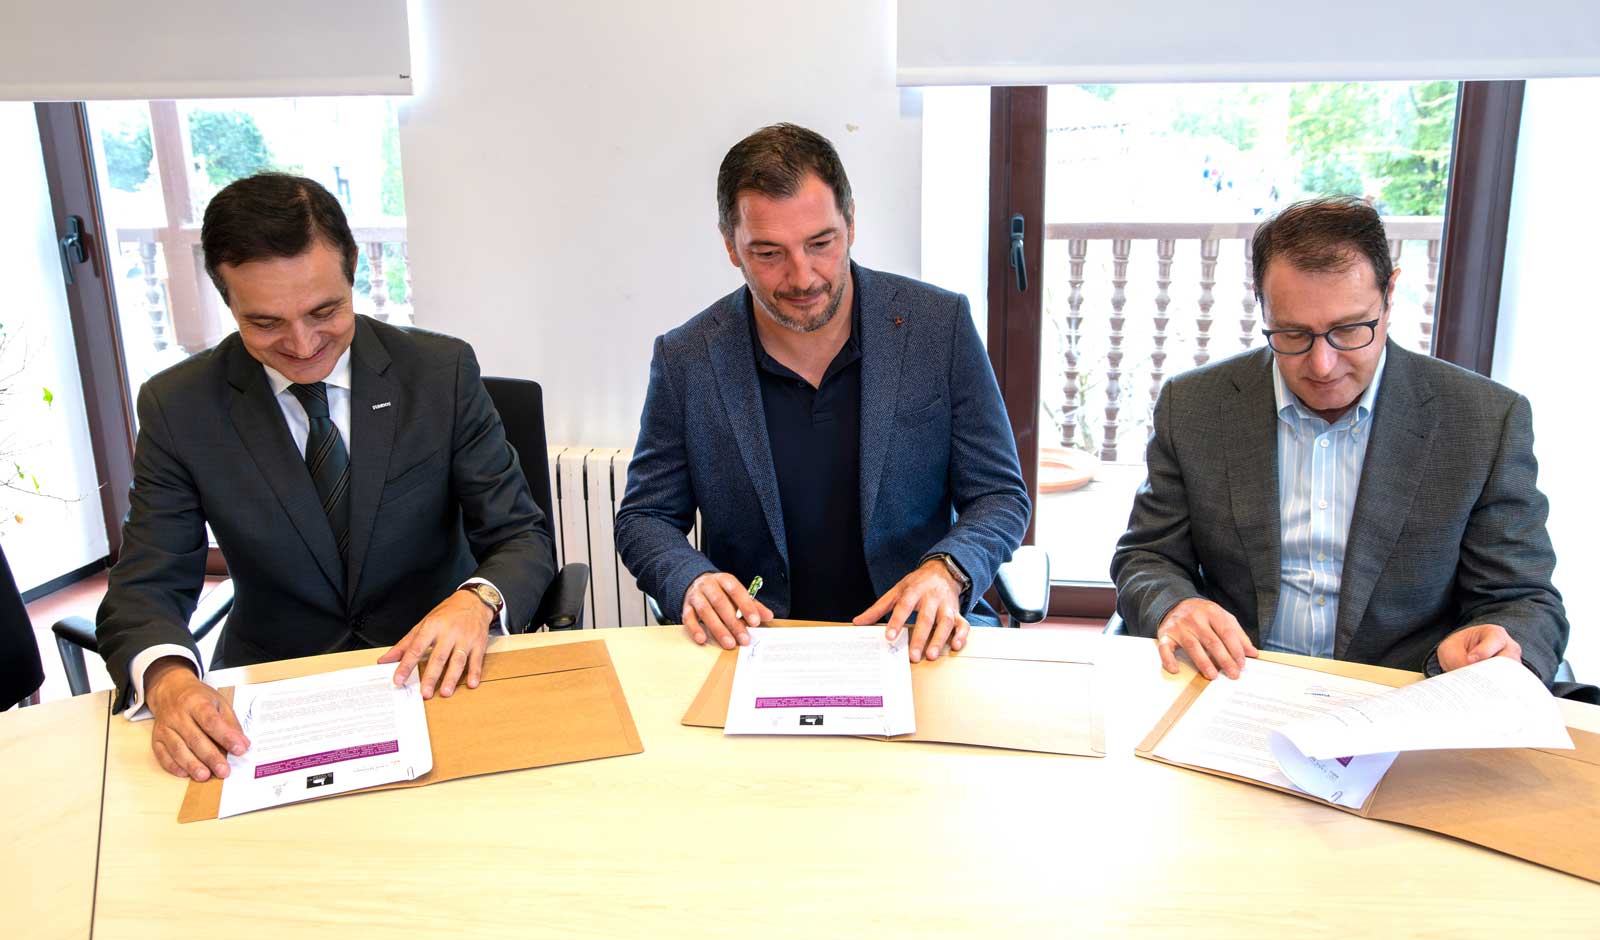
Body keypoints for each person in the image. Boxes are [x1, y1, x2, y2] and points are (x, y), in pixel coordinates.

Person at [97, 173, 555, 782]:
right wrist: (168, 679)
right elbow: (145, 587)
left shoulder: (438, 372)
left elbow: (519, 535)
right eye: (264, 323)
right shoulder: (179, 407)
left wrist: (477, 602)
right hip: (275, 693)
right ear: (226, 302)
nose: (303, 343)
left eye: (324, 311)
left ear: (354, 271)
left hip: (437, 673)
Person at [615, 123, 1030, 664]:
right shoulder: (688, 358)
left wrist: (947, 570)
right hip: (758, 645)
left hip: (912, 641)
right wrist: (691, 579)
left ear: (851, 224)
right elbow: (644, 516)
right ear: (731, 247)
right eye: (768, 253)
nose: (802, 277)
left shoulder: (938, 327)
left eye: (821, 244)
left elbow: (1000, 495)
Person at [1111, 196, 1567, 683]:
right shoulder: (1195, 405)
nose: (1322, 365)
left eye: (1349, 329)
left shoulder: (1483, 420)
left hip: (1399, 691)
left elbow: (1524, 600)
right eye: (1292, 333)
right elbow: (1147, 556)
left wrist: (1496, 642)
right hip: (1237, 681)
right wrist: (1175, 605)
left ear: (1390, 295)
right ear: (1261, 303)